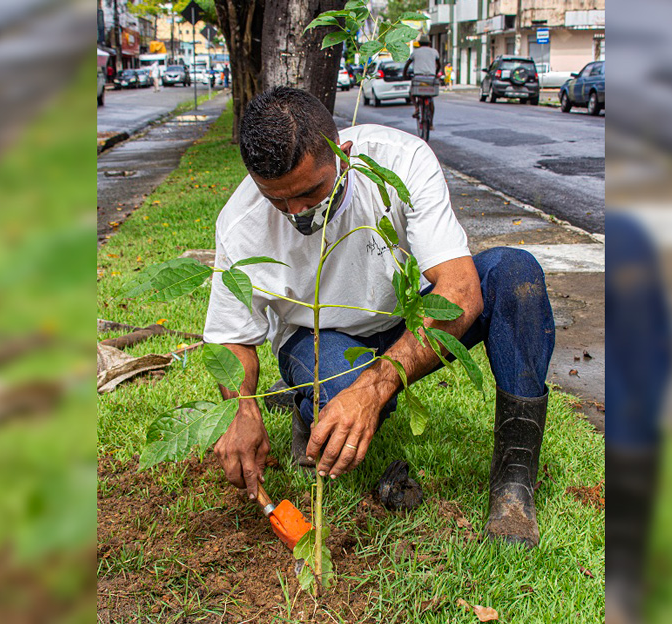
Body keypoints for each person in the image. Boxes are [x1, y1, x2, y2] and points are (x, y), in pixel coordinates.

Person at [204, 86, 555, 548]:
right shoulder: (239, 222)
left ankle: (513, 487)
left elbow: (461, 292)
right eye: (278, 201)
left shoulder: (400, 162)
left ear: (343, 155)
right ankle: (308, 407)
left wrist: (376, 385)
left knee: (515, 274)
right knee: (337, 397)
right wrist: (240, 408)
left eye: (310, 193)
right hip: (315, 334)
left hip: (406, 313)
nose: (297, 215)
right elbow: (233, 335)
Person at [403, 35, 441, 129]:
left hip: (418, 78)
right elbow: (439, 65)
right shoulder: (434, 52)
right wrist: (435, 73)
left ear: (419, 44)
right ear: (429, 43)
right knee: (430, 100)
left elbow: (407, 65)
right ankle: (431, 123)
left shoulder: (415, 52)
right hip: (431, 79)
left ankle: (416, 108)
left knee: (412, 93)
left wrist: (405, 75)